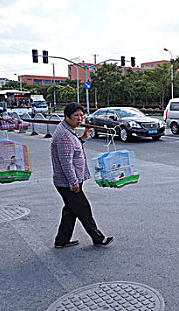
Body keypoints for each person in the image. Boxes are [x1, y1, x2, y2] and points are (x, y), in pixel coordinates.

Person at [51, 102, 113, 248]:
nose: (79, 119)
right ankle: (98, 238)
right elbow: (66, 162)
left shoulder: (68, 130)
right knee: (83, 209)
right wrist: (73, 182)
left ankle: (62, 240)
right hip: (68, 182)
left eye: (81, 115)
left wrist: (84, 137)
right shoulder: (64, 135)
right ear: (67, 116)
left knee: (70, 211)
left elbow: (74, 149)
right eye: (76, 116)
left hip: (69, 181)